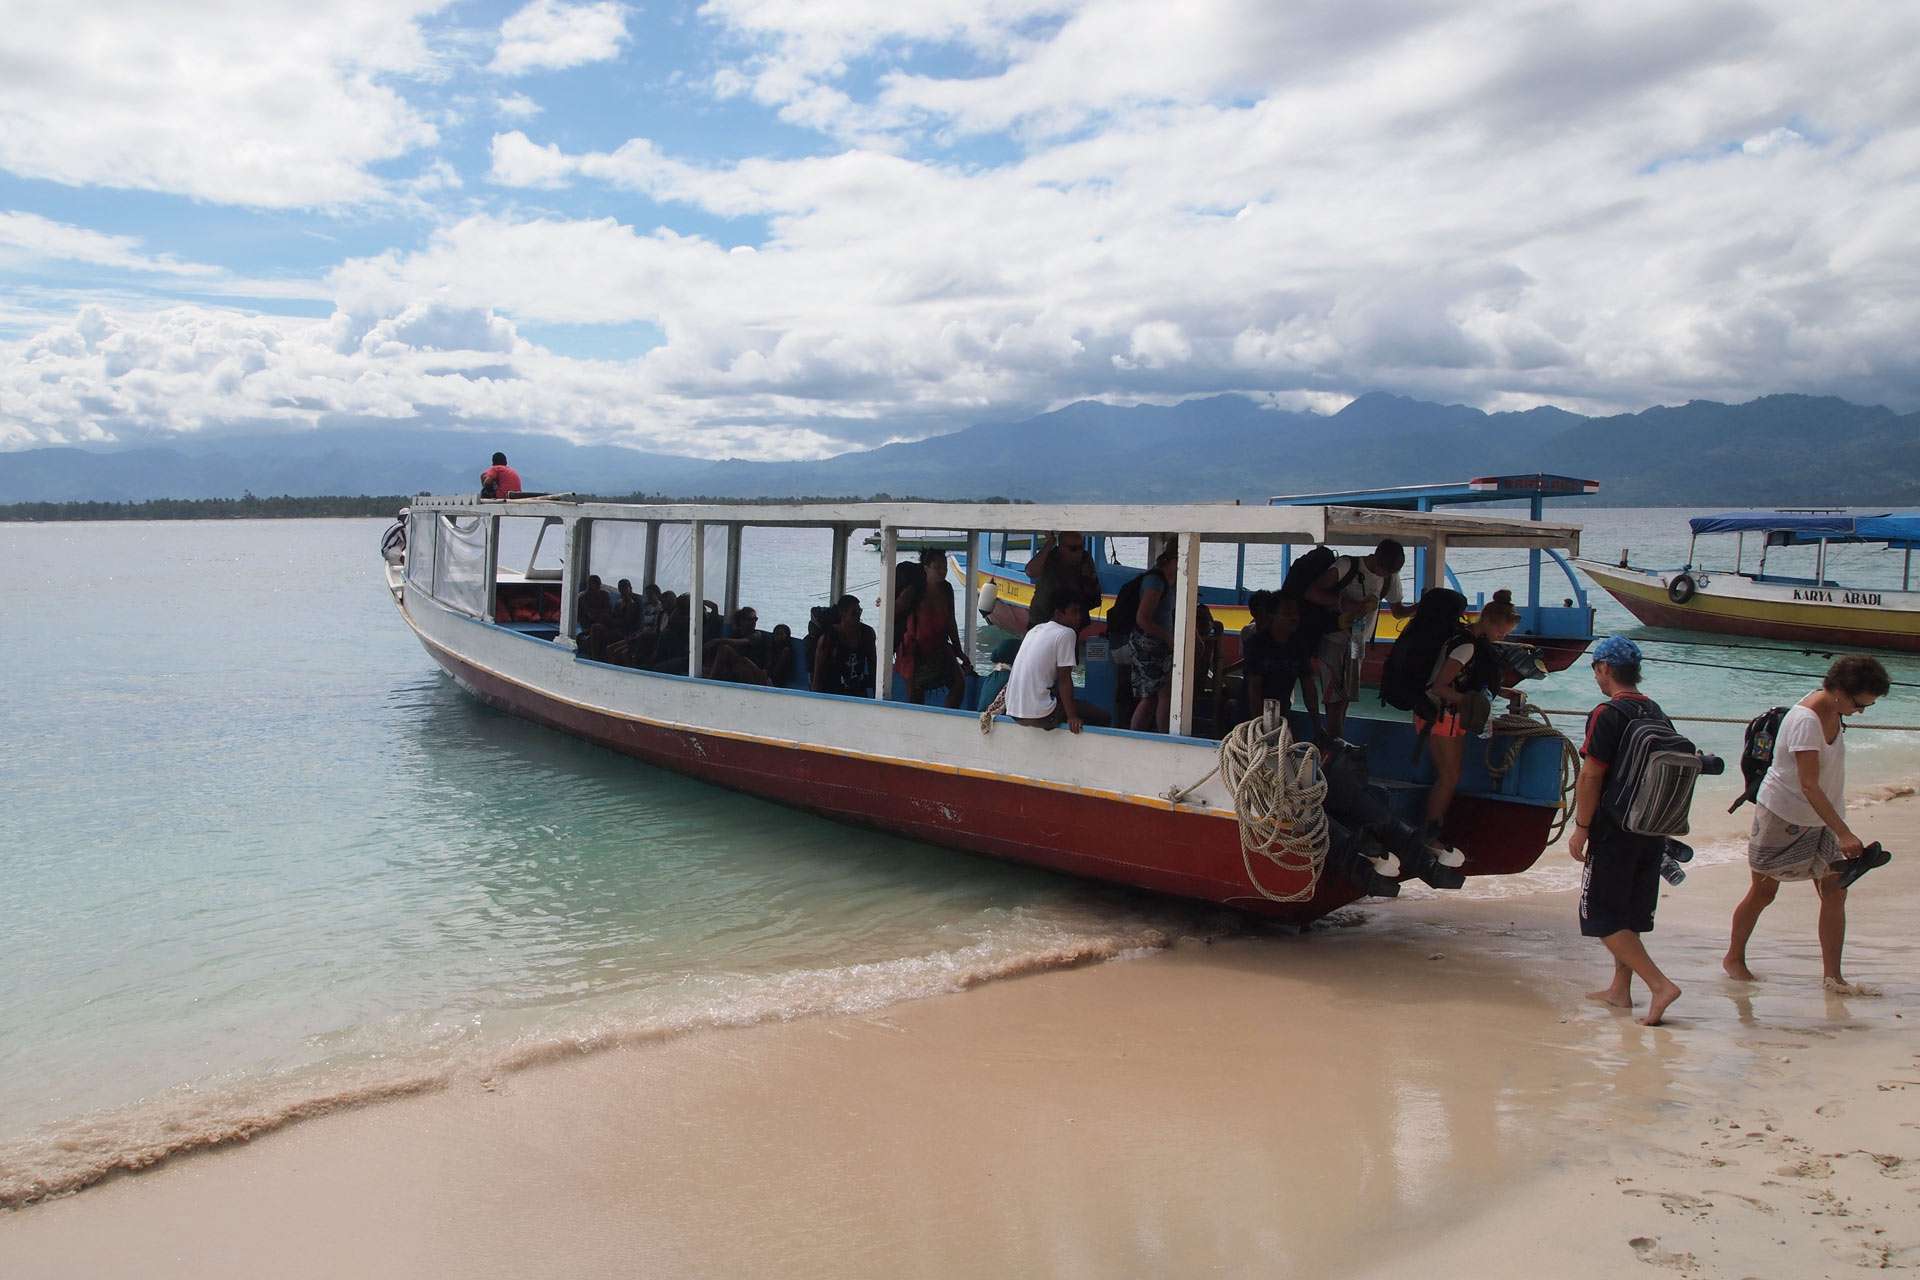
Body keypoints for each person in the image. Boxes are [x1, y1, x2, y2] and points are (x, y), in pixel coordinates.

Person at [1724, 655, 1893, 992]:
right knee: (1763, 892)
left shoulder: (1835, 710)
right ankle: (1734, 958)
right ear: (1841, 692)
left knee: (1835, 892)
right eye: (1860, 704)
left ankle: (1833, 977)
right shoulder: (1805, 720)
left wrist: (1837, 825)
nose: (1861, 712)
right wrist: (1843, 832)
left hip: (1824, 816)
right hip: (1783, 815)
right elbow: (1808, 785)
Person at [1568, 637, 1683, 1026]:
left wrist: (1581, 828)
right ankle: (1620, 990)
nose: (1596, 676)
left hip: (1615, 828)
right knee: (1628, 913)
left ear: (1604, 668)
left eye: (1595, 669)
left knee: (1601, 916)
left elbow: (1591, 774)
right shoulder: (1656, 711)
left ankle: (1660, 985)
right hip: (1651, 827)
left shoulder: (1607, 713)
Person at [1419, 590, 1524, 838]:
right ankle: (1429, 834)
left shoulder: (1469, 640)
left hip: (1451, 715)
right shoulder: (1466, 646)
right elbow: (1438, 687)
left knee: (1450, 775)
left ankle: (1434, 829)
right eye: (1500, 632)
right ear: (1486, 620)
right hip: (1441, 715)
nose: (1501, 637)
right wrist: (1470, 701)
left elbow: (1465, 680)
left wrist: (1501, 692)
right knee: (1449, 777)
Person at [1304, 540, 1407, 741]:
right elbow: (1312, 592)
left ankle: (1335, 740)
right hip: (1334, 640)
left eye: (1390, 572)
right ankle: (1334, 743)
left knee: (1345, 699)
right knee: (1333, 699)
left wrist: (1423, 607)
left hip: (1358, 643)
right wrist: (1347, 604)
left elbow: (1398, 611)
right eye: (1383, 569)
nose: (1384, 574)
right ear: (1376, 556)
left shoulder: (1389, 576)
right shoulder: (1347, 566)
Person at [1007, 598, 1112, 732]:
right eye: (1074, 612)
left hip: (1014, 712)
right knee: (1103, 717)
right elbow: (1064, 679)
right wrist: (1072, 717)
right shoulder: (1066, 633)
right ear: (1058, 614)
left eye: (1079, 612)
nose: (1079, 617)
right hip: (1040, 715)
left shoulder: (1034, 630)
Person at [895, 549, 970, 708]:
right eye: (937, 567)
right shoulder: (914, 590)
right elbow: (892, 611)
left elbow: (951, 621)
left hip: (939, 646)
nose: (943, 571)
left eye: (945, 567)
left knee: (959, 683)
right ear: (926, 568)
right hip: (914, 650)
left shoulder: (947, 589)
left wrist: (958, 651)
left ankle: (947, 717)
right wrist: (883, 601)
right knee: (916, 695)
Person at [1129, 542, 1183, 733]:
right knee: (1154, 695)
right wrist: (1169, 638)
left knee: (1157, 695)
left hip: (1158, 645)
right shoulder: (1155, 582)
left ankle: (1151, 735)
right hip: (1149, 645)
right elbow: (1143, 618)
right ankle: (1160, 736)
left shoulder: (1170, 581)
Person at [1024, 532, 1103, 631]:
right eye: (1073, 548)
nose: (1078, 552)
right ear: (1061, 547)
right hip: (1043, 619)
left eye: (1081, 547)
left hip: (1072, 621)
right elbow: (1031, 571)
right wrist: (1050, 543)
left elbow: (1094, 598)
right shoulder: (1050, 557)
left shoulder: (1085, 559)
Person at [1242, 595, 1303, 723]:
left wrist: (1317, 726)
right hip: (1253, 710)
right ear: (1272, 616)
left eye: (1295, 613)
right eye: (1287, 613)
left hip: (1282, 707)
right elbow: (1255, 689)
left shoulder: (1298, 645)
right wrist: (1258, 724)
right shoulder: (1255, 642)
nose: (1294, 618)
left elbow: (1308, 686)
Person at [813, 595, 878, 697]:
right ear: (842, 613)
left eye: (860, 611)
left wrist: (876, 697)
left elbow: (873, 667)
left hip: (858, 691)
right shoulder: (829, 638)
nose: (858, 616)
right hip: (833, 693)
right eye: (854, 613)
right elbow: (818, 674)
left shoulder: (867, 634)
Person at [575, 573, 613, 660]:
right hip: (587, 625)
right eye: (595, 583)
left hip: (604, 622)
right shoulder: (583, 597)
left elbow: (608, 611)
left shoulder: (605, 595)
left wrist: (599, 614)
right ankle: (594, 657)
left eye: (598, 583)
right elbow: (589, 615)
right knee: (595, 628)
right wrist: (599, 613)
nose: (598, 586)